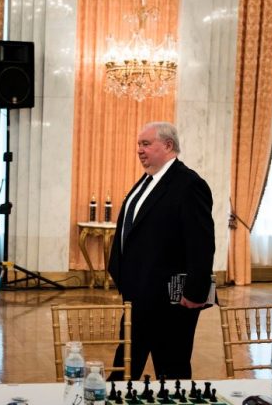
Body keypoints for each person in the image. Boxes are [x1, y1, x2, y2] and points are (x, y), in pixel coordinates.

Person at [107, 121, 214, 381]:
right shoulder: (148, 180)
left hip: (172, 298)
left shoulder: (189, 184)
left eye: (146, 144)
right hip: (139, 292)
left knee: (172, 367)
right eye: (138, 144)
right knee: (126, 363)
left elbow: (201, 243)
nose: (139, 150)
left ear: (168, 145)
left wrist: (195, 292)